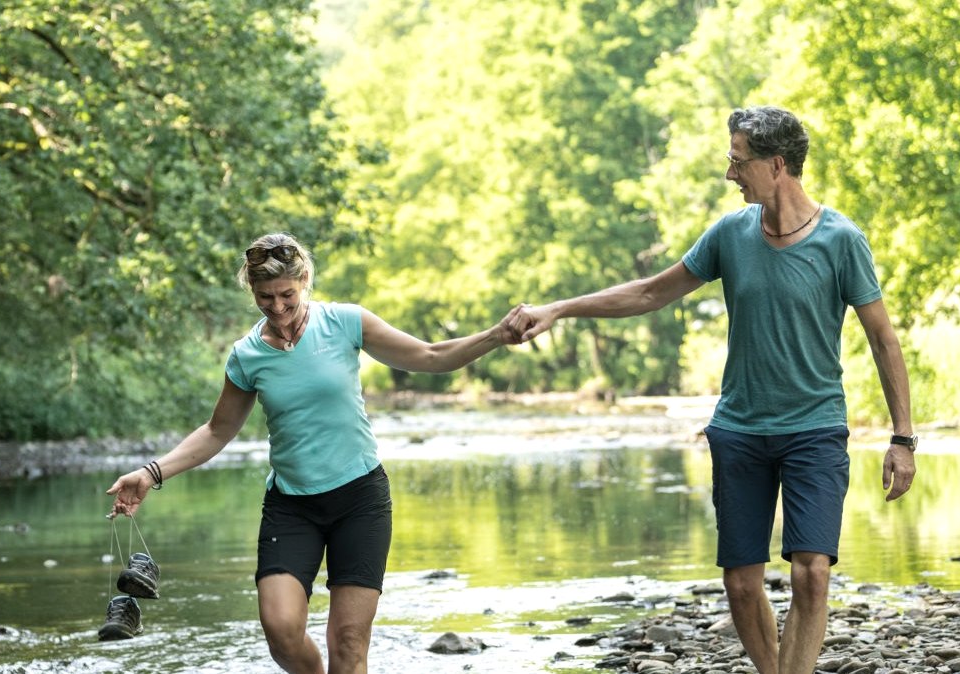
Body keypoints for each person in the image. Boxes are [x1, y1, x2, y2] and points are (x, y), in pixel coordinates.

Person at [513, 105, 917, 674]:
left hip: (815, 428)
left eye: (738, 161)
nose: (731, 173)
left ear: (777, 165)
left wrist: (903, 438)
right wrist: (560, 308)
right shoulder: (730, 234)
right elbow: (651, 293)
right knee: (742, 583)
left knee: (812, 571)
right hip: (741, 430)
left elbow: (883, 340)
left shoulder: (841, 239)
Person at [104, 233, 524, 674]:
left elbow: (431, 355)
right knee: (281, 630)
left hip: (360, 499)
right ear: (252, 292)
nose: (278, 306)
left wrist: (496, 335)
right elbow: (217, 431)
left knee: (348, 641)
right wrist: (152, 472)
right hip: (292, 506)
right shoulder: (248, 355)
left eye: (287, 294)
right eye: (265, 297)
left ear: (304, 279)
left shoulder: (345, 322)